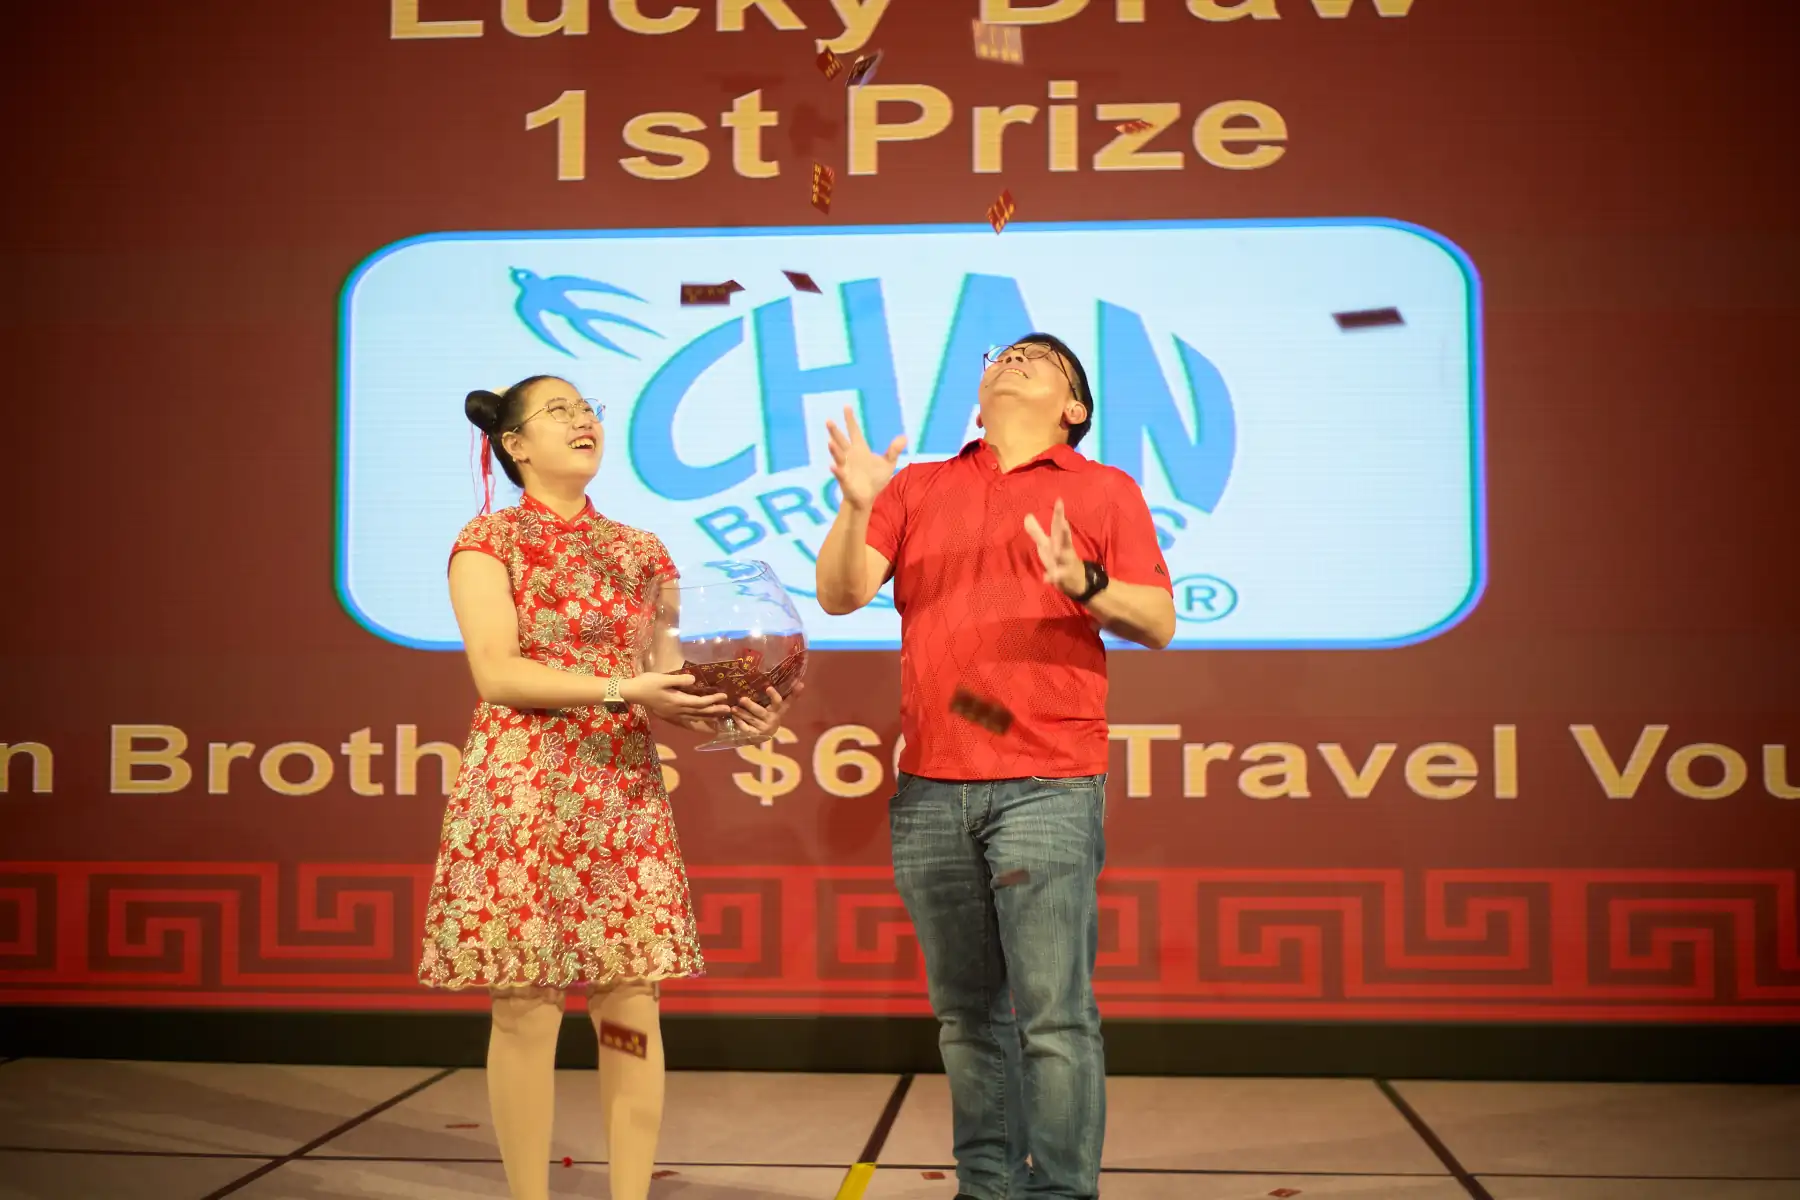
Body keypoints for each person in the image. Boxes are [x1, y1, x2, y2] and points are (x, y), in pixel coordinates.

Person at [813, 336, 1176, 1200]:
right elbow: (840, 593)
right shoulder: (917, 485)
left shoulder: (1104, 489)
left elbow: (1159, 621)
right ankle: (986, 1189)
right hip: (932, 786)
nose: (1013, 360)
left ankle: (1061, 1193)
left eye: (1038, 359)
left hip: (1049, 781)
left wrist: (1085, 584)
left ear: (1073, 408)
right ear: (978, 396)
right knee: (967, 1018)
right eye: (1003, 355)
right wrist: (858, 505)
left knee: (1053, 1016)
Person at [418, 374, 796, 1200]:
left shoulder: (641, 550)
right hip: (522, 788)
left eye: (587, 409)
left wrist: (736, 721)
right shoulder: (489, 539)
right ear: (515, 445)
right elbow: (498, 672)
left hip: (620, 792)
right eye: (558, 412)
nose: (582, 420)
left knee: (632, 1005)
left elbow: (666, 684)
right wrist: (622, 690)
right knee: (526, 1006)